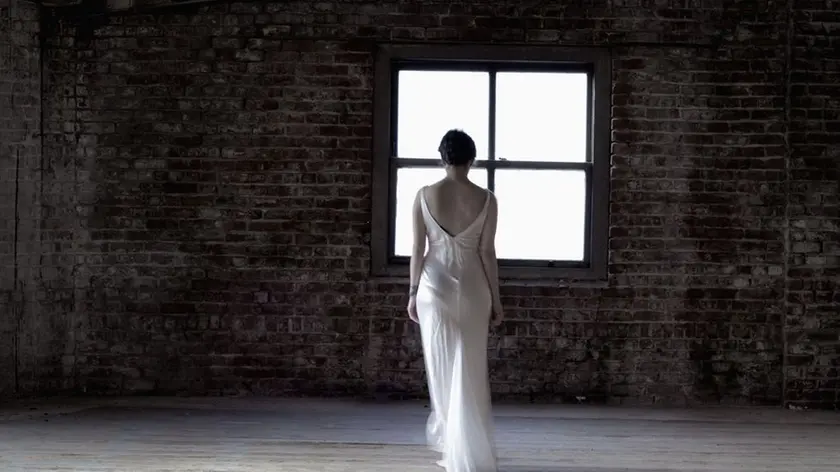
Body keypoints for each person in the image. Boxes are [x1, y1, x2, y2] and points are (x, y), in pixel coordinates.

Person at [406, 129, 503, 472]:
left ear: (442, 158)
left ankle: (454, 443)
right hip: (475, 288)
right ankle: (472, 449)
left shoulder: (423, 195)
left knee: (442, 365)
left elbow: (418, 249)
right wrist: (497, 298)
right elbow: (487, 252)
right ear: (471, 159)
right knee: (471, 365)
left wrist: (413, 292)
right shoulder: (487, 199)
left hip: (434, 289)